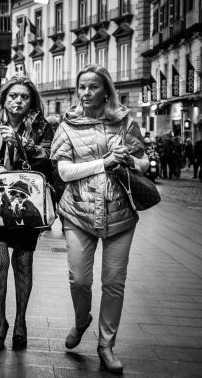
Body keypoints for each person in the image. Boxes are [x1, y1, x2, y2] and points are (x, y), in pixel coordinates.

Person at [50, 64, 149, 375]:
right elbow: (64, 172)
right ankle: (82, 321)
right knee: (79, 279)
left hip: (120, 212)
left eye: (93, 87)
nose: (86, 93)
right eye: (82, 87)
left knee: (114, 283)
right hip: (78, 211)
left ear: (106, 90)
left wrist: (129, 159)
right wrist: (104, 162)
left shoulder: (125, 122)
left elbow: (144, 162)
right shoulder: (68, 125)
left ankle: (106, 345)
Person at [0, 75, 54, 351]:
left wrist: (21, 143)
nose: (18, 101)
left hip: (27, 209)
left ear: (31, 101)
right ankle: (0, 320)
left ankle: (21, 321)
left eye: (24, 97)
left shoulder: (40, 127)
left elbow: (49, 161)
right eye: (13, 95)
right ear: (4, 97)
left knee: (23, 263)